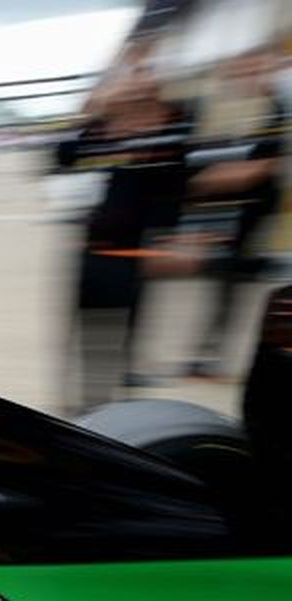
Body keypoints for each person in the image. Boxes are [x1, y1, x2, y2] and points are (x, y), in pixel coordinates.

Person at [56, 58, 193, 412]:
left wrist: (171, 238)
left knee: (132, 323)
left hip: (140, 248)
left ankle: (124, 394)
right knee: (89, 327)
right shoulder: (96, 131)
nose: (139, 87)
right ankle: (91, 402)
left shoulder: (173, 126)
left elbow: (178, 187)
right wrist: (93, 113)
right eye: (133, 79)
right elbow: (62, 158)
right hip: (94, 245)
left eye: (147, 79)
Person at [182, 47, 285, 378]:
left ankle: (212, 357)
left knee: (229, 287)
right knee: (217, 286)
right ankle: (206, 354)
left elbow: (257, 170)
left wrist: (220, 174)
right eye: (241, 71)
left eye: (255, 70)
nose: (248, 77)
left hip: (252, 215)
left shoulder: (274, 111)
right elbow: (195, 169)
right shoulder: (218, 112)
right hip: (220, 213)